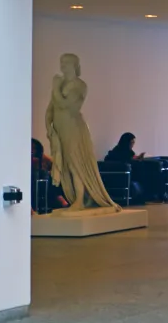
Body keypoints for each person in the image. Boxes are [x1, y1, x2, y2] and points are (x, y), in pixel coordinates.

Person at [44, 54, 116, 212]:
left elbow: (66, 106)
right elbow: (51, 108)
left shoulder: (79, 85)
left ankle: (80, 200)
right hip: (60, 129)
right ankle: (78, 199)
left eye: (66, 63)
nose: (63, 66)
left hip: (73, 128)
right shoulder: (61, 83)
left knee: (75, 164)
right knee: (68, 165)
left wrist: (55, 87)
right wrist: (49, 126)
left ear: (74, 65)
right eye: (61, 62)